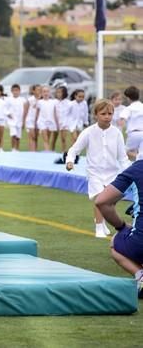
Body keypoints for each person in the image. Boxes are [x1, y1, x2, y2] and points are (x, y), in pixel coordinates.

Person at [67, 99, 128, 238]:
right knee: (100, 199)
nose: (107, 116)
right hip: (94, 172)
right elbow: (74, 149)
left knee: (110, 202)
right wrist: (70, 161)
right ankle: (99, 227)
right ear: (95, 115)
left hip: (113, 173)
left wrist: (127, 172)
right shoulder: (88, 132)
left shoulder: (117, 133)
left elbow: (122, 157)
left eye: (110, 113)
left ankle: (103, 222)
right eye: (103, 113)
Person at [94, 159, 143, 297]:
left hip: (140, 243)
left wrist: (120, 226)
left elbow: (102, 201)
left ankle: (140, 276)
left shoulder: (138, 168)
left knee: (116, 242)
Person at [119, 86, 143, 160]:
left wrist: (120, 131)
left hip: (133, 134)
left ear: (128, 98)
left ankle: (138, 158)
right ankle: (139, 158)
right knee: (140, 152)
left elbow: (122, 120)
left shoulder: (129, 108)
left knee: (125, 152)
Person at [5, 84, 27, 151]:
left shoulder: (23, 100)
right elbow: (5, 108)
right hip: (12, 120)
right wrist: (8, 114)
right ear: (11, 91)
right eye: (14, 90)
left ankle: (17, 148)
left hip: (19, 120)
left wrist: (23, 121)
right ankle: (13, 148)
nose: (15, 92)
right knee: (13, 134)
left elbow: (25, 110)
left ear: (19, 91)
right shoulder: (8, 99)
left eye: (17, 90)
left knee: (18, 136)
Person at [35, 86, 57, 151]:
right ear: (42, 93)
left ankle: (46, 150)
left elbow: (55, 113)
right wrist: (36, 122)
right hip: (42, 122)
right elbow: (37, 113)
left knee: (48, 138)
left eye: (47, 91)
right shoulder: (39, 102)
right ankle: (47, 152)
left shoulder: (53, 102)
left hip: (50, 122)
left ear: (49, 93)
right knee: (45, 139)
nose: (46, 93)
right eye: (44, 92)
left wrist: (56, 123)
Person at [54, 86, 71, 153]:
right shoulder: (56, 102)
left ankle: (65, 151)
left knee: (64, 138)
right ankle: (60, 150)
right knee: (58, 138)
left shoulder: (68, 103)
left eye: (59, 92)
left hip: (65, 123)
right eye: (57, 92)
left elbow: (69, 113)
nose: (58, 94)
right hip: (58, 122)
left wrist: (67, 122)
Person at [25, 85, 41, 151]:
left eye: (40, 90)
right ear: (33, 91)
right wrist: (24, 121)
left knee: (36, 137)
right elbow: (26, 110)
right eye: (37, 89)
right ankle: (32, 152)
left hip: (38, 121)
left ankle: (35, 151)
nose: (39, 91)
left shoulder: (42, 99)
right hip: (30, 120)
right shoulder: (30, 99)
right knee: (32, 136)